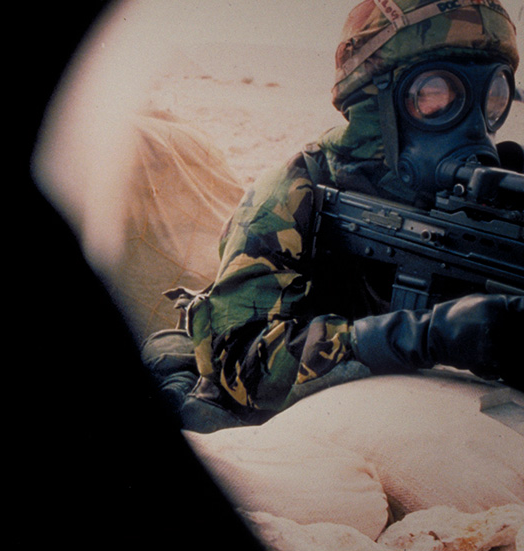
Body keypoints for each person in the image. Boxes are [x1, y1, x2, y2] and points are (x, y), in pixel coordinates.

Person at [146, 0, 524, 433]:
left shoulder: (490, 203)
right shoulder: (296, 189)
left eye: (493, 97)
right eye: (436, 94)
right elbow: (240, 360)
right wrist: (424, 337)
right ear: (375, 98)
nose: (475, 126)